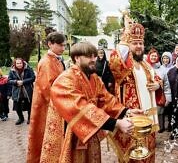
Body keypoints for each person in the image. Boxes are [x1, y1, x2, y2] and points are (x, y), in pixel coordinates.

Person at [39, 42, 140, 162]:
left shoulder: (94, 78)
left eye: (94, 56)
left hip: (90, 131)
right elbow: (81, 108)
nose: (93, 60)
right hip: (70, 134)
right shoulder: (65, 80)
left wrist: (126, 111)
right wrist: (116, 123)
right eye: (89, 56)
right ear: (77, 58)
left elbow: (106, 100)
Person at [108, 13, 162, 163]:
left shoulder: (145, 63)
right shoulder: (125, 63)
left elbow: (156, 78)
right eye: (135, 43)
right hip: (132, 117)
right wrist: (127, 31)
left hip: (149, 118)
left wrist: (157, 85)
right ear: (129, 45)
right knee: (133, 155)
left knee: (149, 152)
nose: (138, 46)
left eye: (141, 43)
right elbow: (116, 60)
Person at [27, 32, 66, 163]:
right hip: (47, 106)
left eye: (64, 45)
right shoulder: (46, 62)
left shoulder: (56, 60)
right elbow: (47, 88)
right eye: (60, 45)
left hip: (53, 104)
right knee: (44, 135)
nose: (63, 48)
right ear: (50, 44)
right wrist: (62, 104)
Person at [8, 58, 35, 125]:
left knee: (29, 106)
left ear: (23, 63)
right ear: (15, 64)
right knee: (17, 106)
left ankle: (29, 118)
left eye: (20, 63)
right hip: (17, 92)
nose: (19, 65)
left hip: (27, 90)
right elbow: (9, 80)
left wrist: (23, 82)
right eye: (17, 63)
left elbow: (33, 78)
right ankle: (21, 118)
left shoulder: (28, 69)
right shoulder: (12, 70)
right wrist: (16, 82)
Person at [157, 51, 173, 132]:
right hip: (162, 92)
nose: (165, 60)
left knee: (170, 110)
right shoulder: (160, 69)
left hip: (172, 91)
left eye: (167, 58)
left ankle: (170, 125)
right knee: (161, 110)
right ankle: (161, 126)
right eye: (164, 58)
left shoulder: (173, 68)